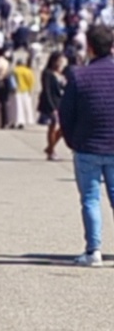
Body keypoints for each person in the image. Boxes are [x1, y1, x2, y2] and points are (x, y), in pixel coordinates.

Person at [59, 22, 114, 267]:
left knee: (90, 199)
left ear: (90, 47)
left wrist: (72, 140)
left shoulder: (78, 75)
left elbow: (65, 113)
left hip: (87, 145)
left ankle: (94, 250)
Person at [39, 51, 68, 161]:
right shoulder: (47, 73)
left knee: (64, 127)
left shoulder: (61, 73)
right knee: (52, 126)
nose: (61, 63)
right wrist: (52, 107)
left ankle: (50, 147)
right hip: (51, 103)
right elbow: (47, 90)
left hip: (61, 102)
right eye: (59, 60)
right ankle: (51, 151)